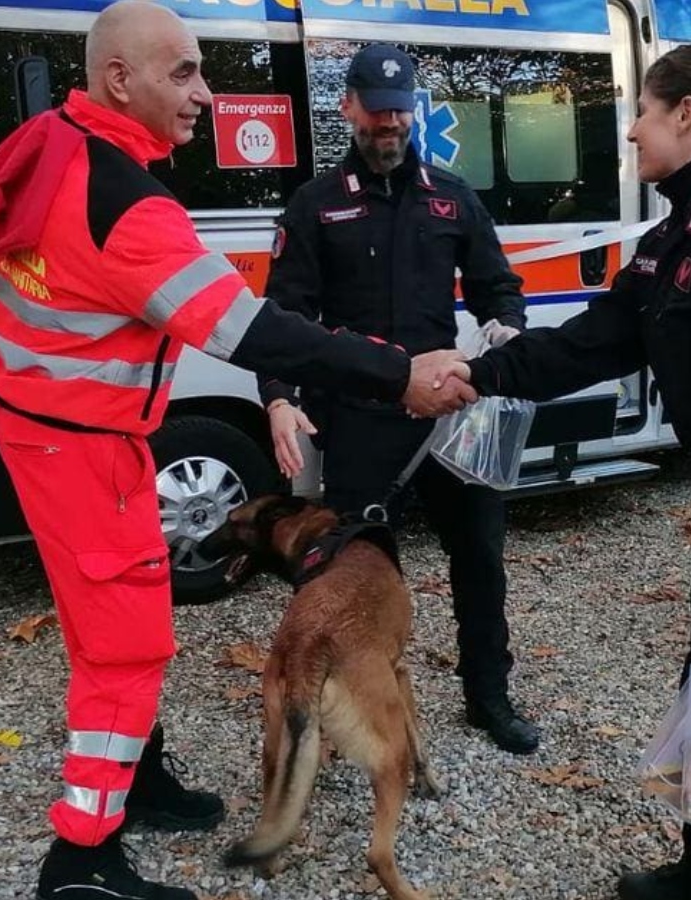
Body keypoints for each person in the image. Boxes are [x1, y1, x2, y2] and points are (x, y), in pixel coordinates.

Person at [0, 5, 472, 898]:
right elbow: (253, 330)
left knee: (113, 620)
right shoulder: (124, 199)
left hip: (48, 428)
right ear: (121, 79)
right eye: (187, 72)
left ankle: (136, 783)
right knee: (127, 647)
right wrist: (397, 373)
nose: (208, 93)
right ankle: (81, 859)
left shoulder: (58, 145)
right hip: (80, 445)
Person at [428, 43, 691, 900]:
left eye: (645, 113)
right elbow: (597, 339)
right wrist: (480, 373)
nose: (631, 132)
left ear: (686, 114)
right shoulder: (682, 231)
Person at [259, 43, 539, 755]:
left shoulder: (452, 196)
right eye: (375, 109)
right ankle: (352, 700)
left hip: (445, 422)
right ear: (348, 106)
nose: (388, 123)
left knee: (480, 558)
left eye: (399, 109)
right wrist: (280, 398)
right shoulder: (315, 206)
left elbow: (497, 289)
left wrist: (504, 340)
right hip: (359, 423)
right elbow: (283, 319)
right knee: (353, 577)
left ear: (413, 109)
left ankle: (489, 697)